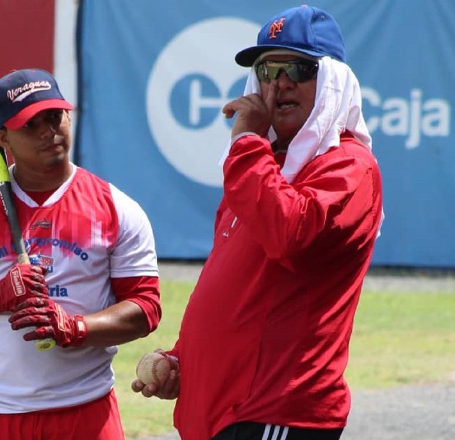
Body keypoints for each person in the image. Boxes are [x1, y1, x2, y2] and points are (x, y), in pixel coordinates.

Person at [132, 5, 383, 440]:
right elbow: (239, 288)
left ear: (330, 84)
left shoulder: (349, 166)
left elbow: (289, 234)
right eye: (267, 70)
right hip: (228, 411)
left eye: (298, 68)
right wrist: (183, 360)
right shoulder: (262, 167)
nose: (280, 82)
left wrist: (247, 143)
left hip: (277, 412)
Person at [0, 68, 161, 440]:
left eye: (54, 117)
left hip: (84, 412)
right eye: (30, 125)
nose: (48, 132)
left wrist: (76, 328)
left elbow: (145, 308)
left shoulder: (117, 209)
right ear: (1, 137)